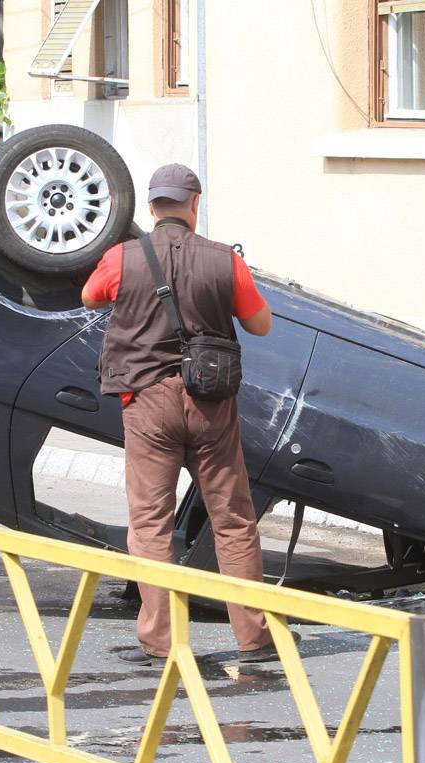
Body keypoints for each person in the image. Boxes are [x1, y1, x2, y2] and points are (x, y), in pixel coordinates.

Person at [82, 163, 289, 665]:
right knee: (233, 519)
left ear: (152, 207)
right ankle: (254, 638)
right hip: (210, 401)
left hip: (146, 401)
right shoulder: (224, 261)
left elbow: (89, 296)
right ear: (195, 204)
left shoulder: (122, 257)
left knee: (151, 522)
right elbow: (260, 325)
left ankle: (160, 641)